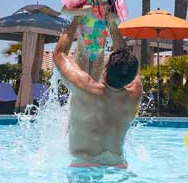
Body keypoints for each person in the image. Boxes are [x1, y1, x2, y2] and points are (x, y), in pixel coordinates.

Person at [53, 14, 141, 169]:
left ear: (105, 72)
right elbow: (126, 61)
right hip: (118, 166)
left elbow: (59, 55)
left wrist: (76, 20)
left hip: (85, 166)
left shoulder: (86, 89)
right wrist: (113, 26)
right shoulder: (135, 94)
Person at [57, 0, 127, 81]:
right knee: (81, 81)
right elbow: (64, 10)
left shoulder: (110, 7)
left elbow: (116, 24)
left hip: (99, 51)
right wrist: (83, 11)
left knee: (94, 83)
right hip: (83, 48)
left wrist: (115, 18)